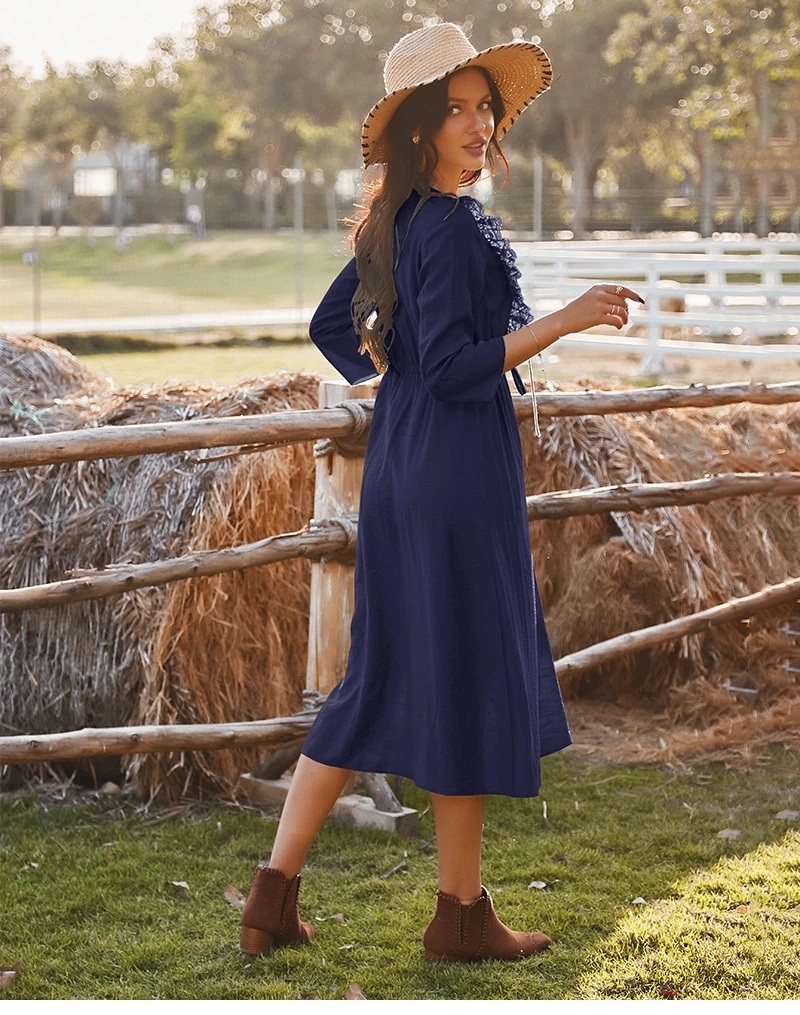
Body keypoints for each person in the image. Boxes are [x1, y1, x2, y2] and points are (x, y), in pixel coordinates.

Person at [239, 21, 645, 964]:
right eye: (454, 109)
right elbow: (463, 367)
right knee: (456, 670)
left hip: (404, 462)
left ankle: (280, 896)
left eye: (484, 107)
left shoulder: (400, 219)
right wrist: (565, 320)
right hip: (456, 466)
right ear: (419, 127)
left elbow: (333, 326)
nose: (476, 124)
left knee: (379, 674)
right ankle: (455, 915)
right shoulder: (452, 225)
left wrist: (402, 376)